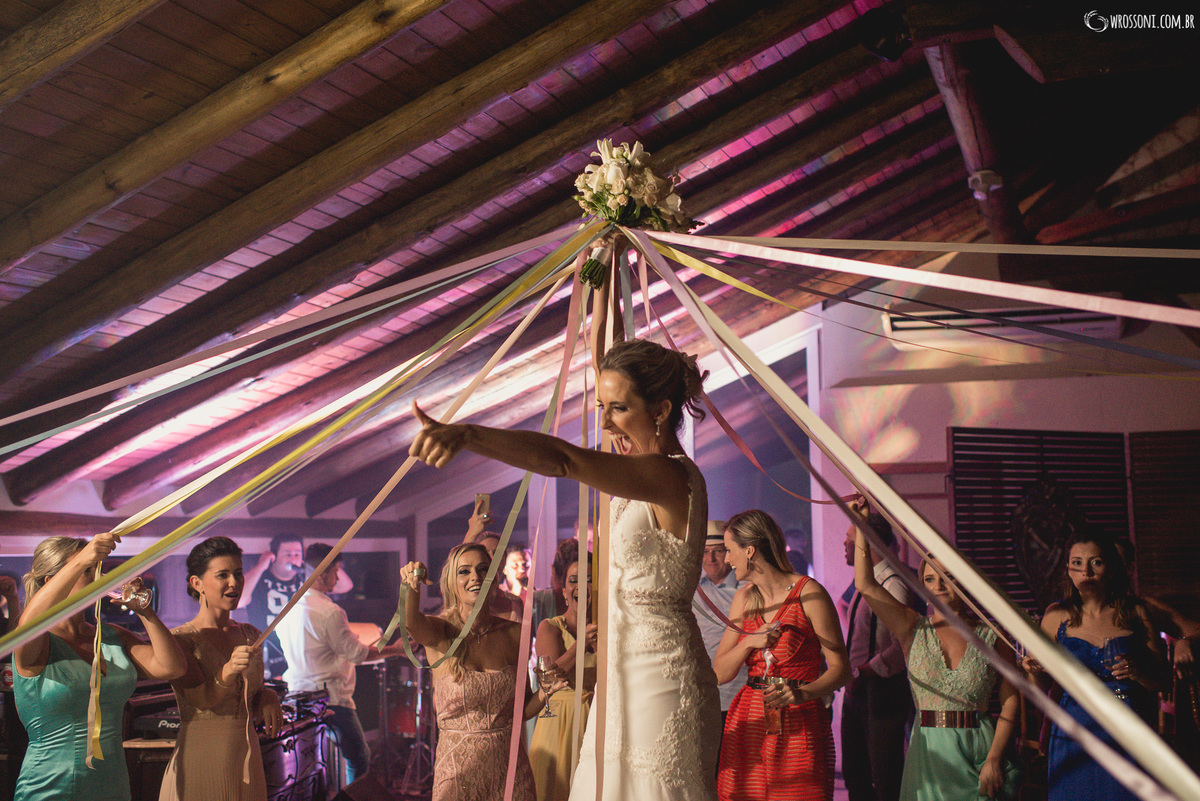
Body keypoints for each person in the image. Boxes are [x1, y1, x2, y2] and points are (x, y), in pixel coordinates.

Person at [409, 336, 722, 801]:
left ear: (659, 409)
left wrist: (470, 435)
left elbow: (562, 459)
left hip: (660, 670)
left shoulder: (669, 475)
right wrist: (596, 270)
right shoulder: (639, 472)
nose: (606, 420)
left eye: (617, 407)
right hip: (623, 670)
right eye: (602, 405)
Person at [854, 514, 1019, 800]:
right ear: (923, 587)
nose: (940, 585)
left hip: (979, 750)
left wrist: (993, 759)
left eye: (948, 577)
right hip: (930, 753)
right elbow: (866, 585)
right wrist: (861, 528)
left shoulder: (992, 635)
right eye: (930, 579)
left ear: (965, 581)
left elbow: (1011, 699)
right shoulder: (912, 628)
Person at [13, 533, 185, 801]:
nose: (98, 580)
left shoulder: (112, 636)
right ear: (53, 582)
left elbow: (172, 667)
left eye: (98, 571)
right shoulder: (35, 643)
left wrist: (146, 613)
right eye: (87, 571)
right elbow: (29, 627)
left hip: (111, 784)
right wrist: (83, 557)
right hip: (50, 787)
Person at [401, 543, 564, 801]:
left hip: (510, 772)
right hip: (458, 774)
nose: (475, 576)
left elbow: (520, 711)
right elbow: (410, 622)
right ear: (452, 583)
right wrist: (412, 583)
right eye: (464, 571)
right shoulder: (438, 631)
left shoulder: (514, 633)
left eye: (482, 569)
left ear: (494, 579)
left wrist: (547, 692)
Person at [714, 510, 850, 801]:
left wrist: (804, 694)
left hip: (799, 719)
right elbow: (720, 673)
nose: (726, 559)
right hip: (748, 718)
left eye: (729, 550)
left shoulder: (808, 593)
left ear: (749, 551)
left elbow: (841, 669)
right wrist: (749, 641)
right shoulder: (743, 598)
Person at [1024, 529, 1167, 801]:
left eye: (1095, 562)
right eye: (1077, 563)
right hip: (1075, 726)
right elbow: (1040, 691)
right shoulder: (1056, 616)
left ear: (1111, 568)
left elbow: (1162, 681)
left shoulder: (1136, 611)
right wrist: (1033, 672)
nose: (1086, 571)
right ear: (1068, 569)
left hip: (1125, 727)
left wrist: (1138, 671)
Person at [160, 537, 284, 801]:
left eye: (238, 574)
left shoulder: (251, 634)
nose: (234, 583)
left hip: (246, 755)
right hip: (201, 757)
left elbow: (250, 692)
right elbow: (201, 700)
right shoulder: (180, 639)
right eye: (223, 575)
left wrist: (268, 695)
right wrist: (227, 670)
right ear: (197, 583)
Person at [276, 543, 406, 785]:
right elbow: (358, 654)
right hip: (329, 699)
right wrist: (395, 650)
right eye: (335, 571)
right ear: (323, 571)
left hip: (296, 696)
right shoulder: (330, 612)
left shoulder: (289, 606)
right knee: (359, 759)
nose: (337, 578)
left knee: (309, 766)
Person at [840, 499, 911, 801]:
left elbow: (901, 646)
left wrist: (867, 670)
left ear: (870, 543)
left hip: (881, 691)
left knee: (884, 775)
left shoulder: (893, 585)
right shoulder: (861, 583)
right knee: (855, 773)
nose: (845, 543)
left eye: (851, 538)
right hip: (858, 688)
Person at [530, 544, 598, 801]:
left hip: (595, 719)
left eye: (590, 579)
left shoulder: (610, 628)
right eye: (574, 580)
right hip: (559, 722)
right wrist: (580, 646)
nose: (582, 585)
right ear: (564, 591)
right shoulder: (550, 627)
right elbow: (548, 678)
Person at [694, 521, 747, 743]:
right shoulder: (692, 589)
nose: (710, 559)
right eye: (705, 552)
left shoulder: (746, 589)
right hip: (702, 694)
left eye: (717, 551)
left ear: (728, 553)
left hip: (738, 693)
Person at [240, 533, 305, 679]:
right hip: (269, 654)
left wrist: (313, 564)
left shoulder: (305, 577)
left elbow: (344, 586)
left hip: (301, 653)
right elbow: (239, 601)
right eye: (287, 554)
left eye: (297, 554)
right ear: (274, 556)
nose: (293, 559)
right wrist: (262, 565)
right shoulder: (259, 580)